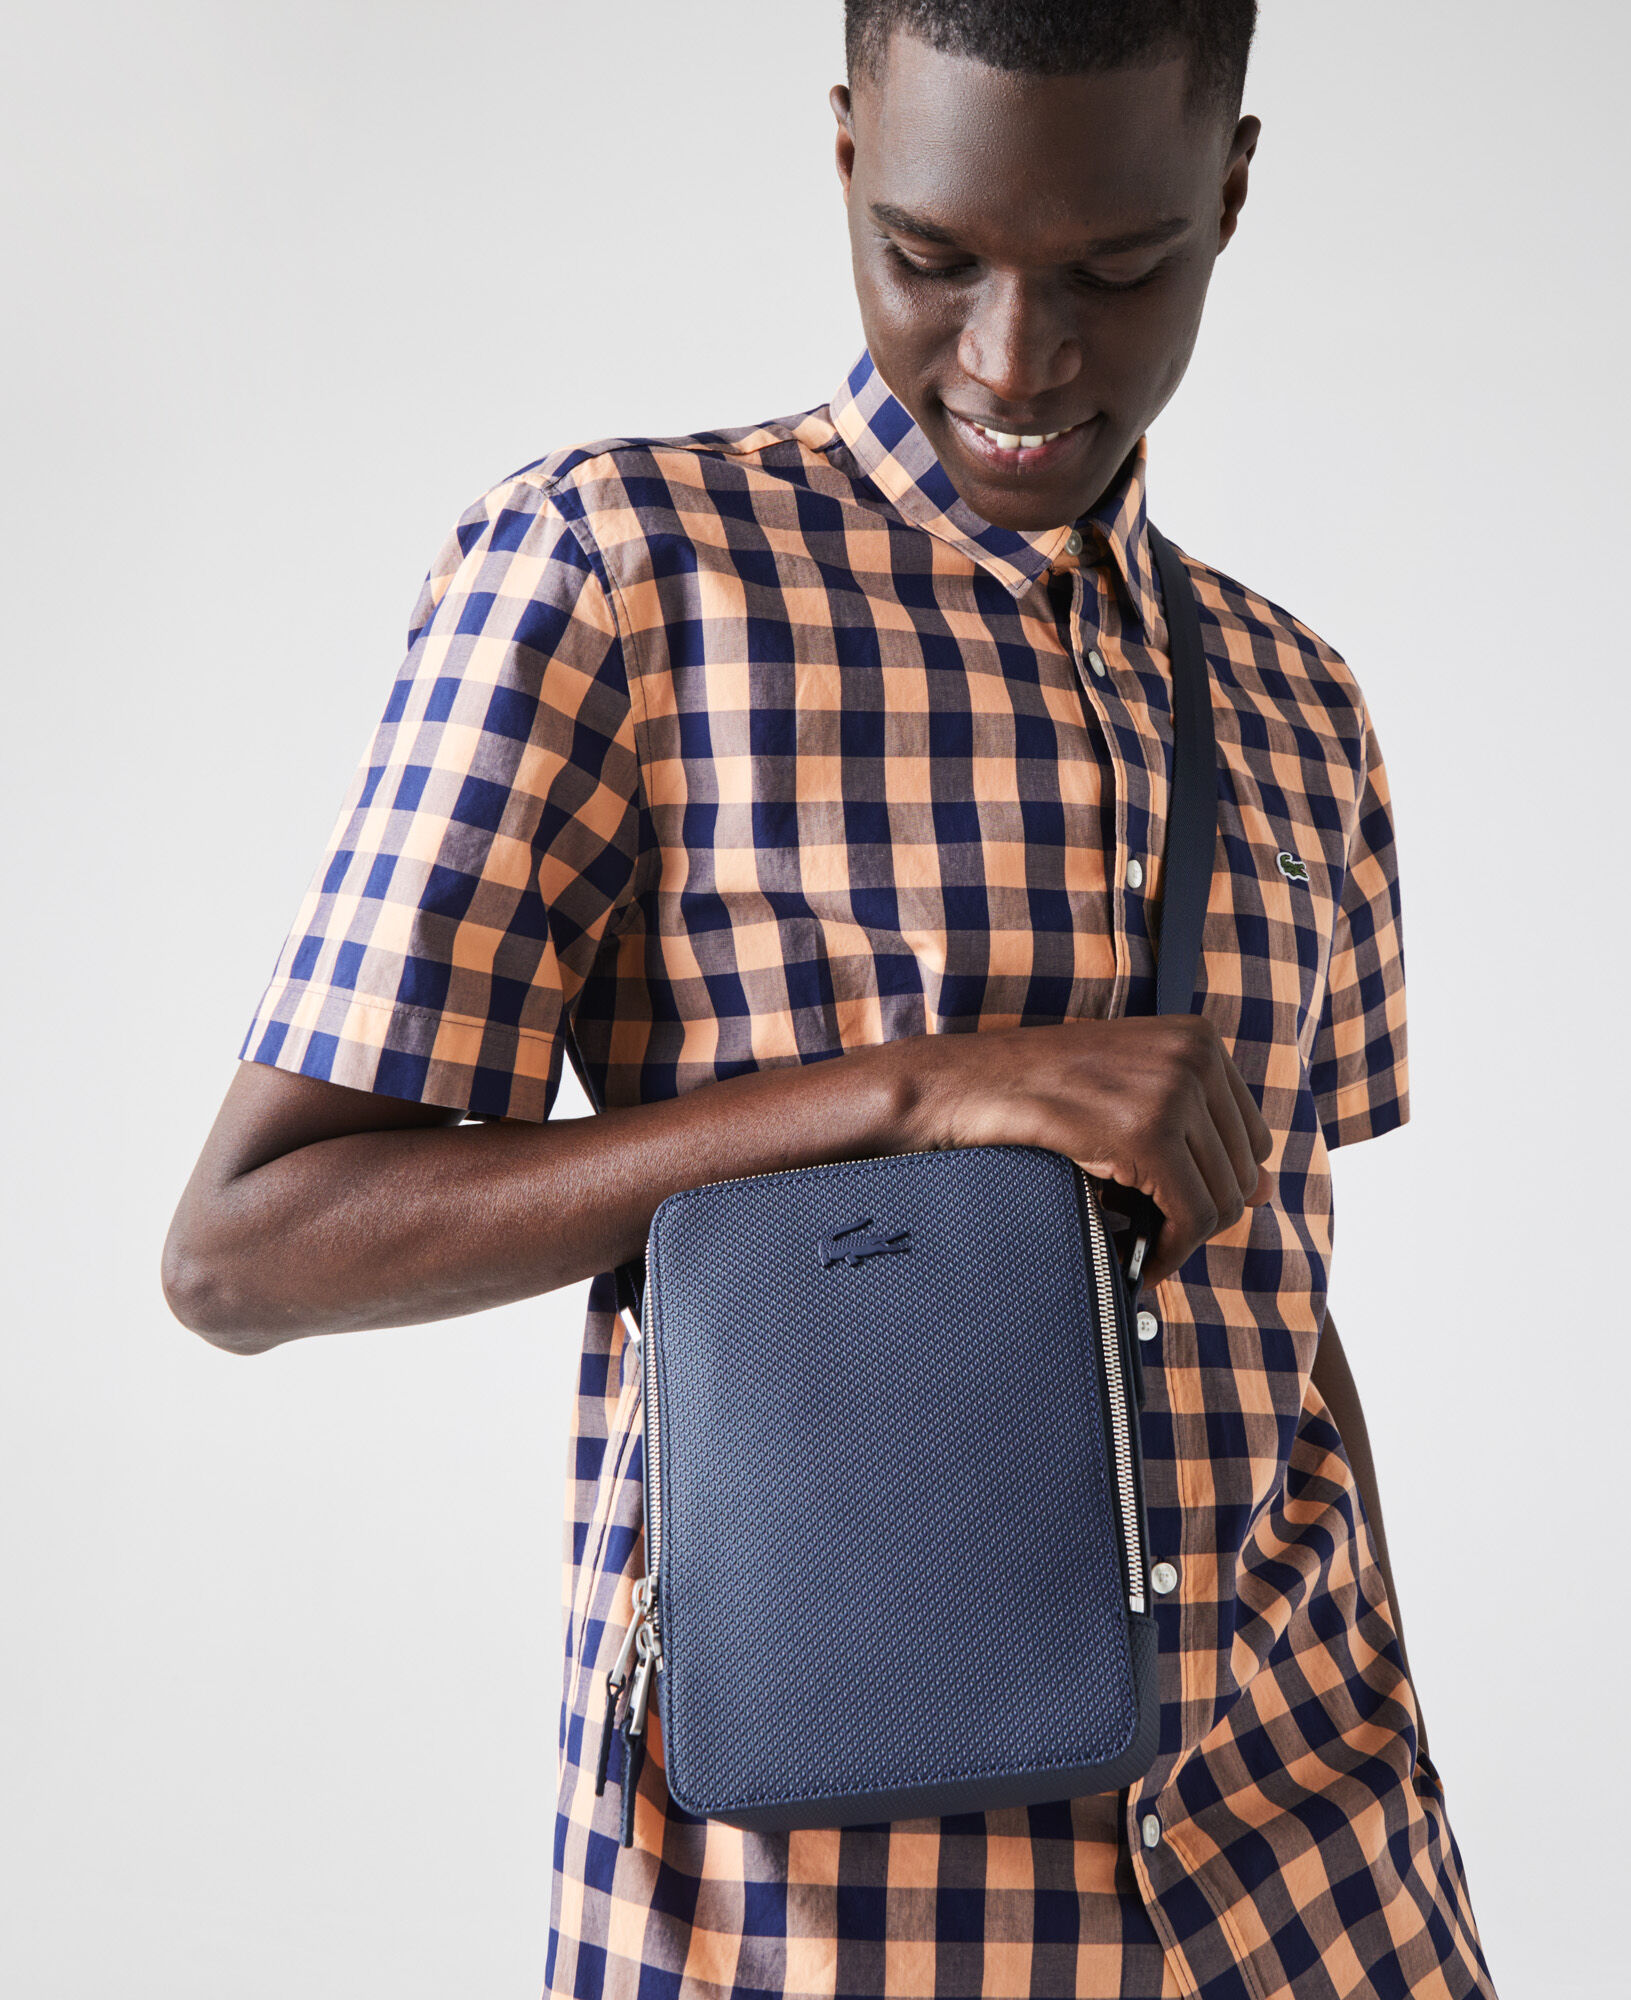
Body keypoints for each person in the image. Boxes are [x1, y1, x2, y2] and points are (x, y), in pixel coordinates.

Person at [163, 3, 1497, 1994]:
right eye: (930, 256)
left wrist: (1398, 1740)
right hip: (834, 1918)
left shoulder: (1299, 703)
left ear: (1228, 191)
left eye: (1116, 269)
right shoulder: (620, 577)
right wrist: (915, 1095)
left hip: (1317, 1888)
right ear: (849, 143)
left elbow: (1279, 1298)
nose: (1014, 360)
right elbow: (247, 1252)